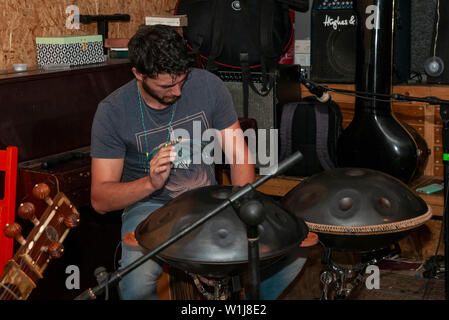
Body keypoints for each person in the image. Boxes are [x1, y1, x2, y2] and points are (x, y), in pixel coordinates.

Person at [90, 24, 307, 300]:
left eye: (182, 79)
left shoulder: (207, 85)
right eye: (167, 85)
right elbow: (100, 199)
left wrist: (242, 206)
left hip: (211, 200)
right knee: (136, 282)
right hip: (151, 206)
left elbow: (239, 156)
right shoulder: (113, 112)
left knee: (294, 249)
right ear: (138, 74)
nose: (178, 91)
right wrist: (150, 183)